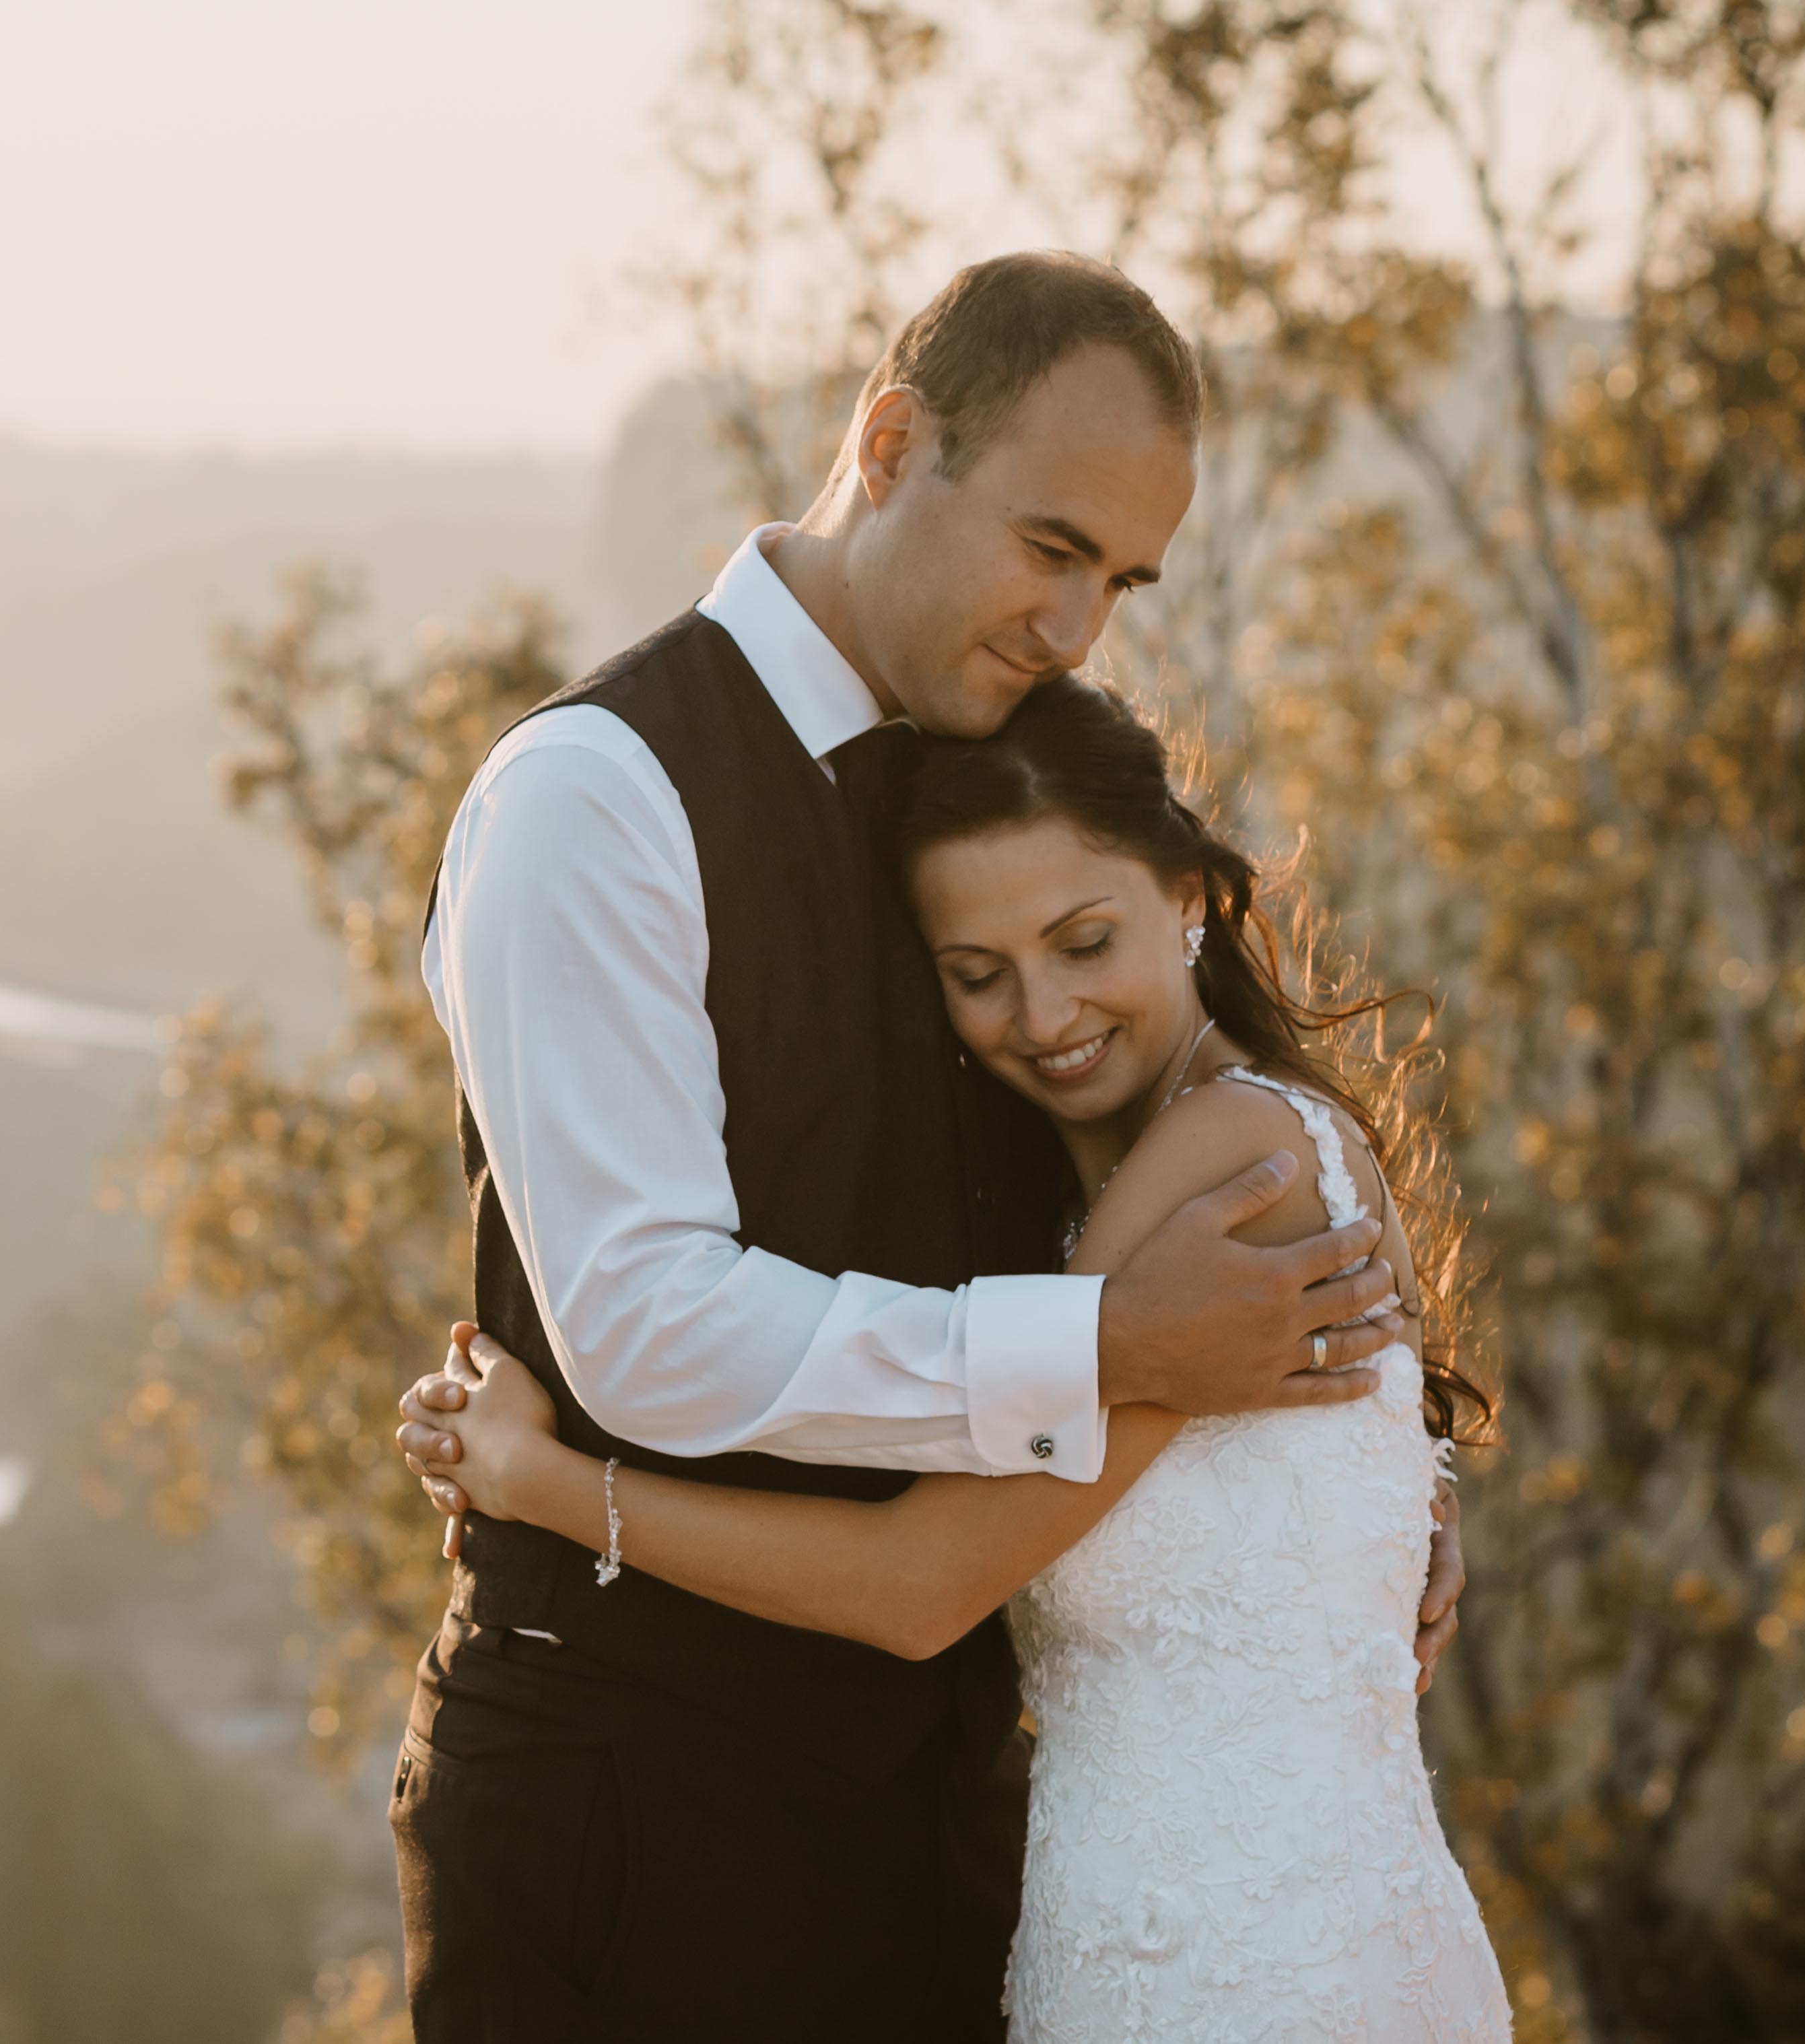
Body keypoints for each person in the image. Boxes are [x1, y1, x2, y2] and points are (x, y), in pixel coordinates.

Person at [378, 249, 1459, 2041]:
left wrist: (1372, 1498)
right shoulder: (595, 798)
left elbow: (1194, 1154)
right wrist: (1110, 1352)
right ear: (886, 443)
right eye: (1050, 549)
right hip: (642, 1805)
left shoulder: (1010, 805)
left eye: (1117, 579)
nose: (1075, 627)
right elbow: (639, 1320)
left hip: (954, 1821)